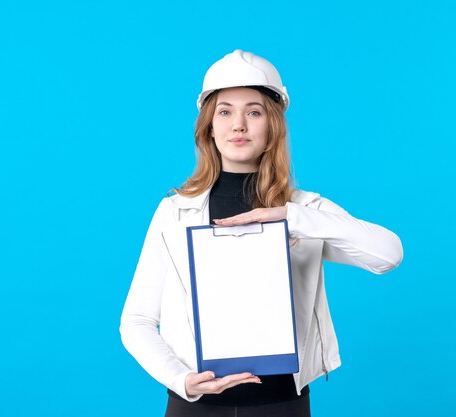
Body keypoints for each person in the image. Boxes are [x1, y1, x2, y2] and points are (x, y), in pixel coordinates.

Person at [120, 49, 404, 417]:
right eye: (225, 111)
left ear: (272, 126)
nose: (238, 124)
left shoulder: (305, 210)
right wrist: (181, 379)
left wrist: (291, 216)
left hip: (283, 405)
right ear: (208, 125)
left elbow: (388, 254)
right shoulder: (174, 212)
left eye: (253, 112)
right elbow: (137, 320)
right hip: (195, 407)